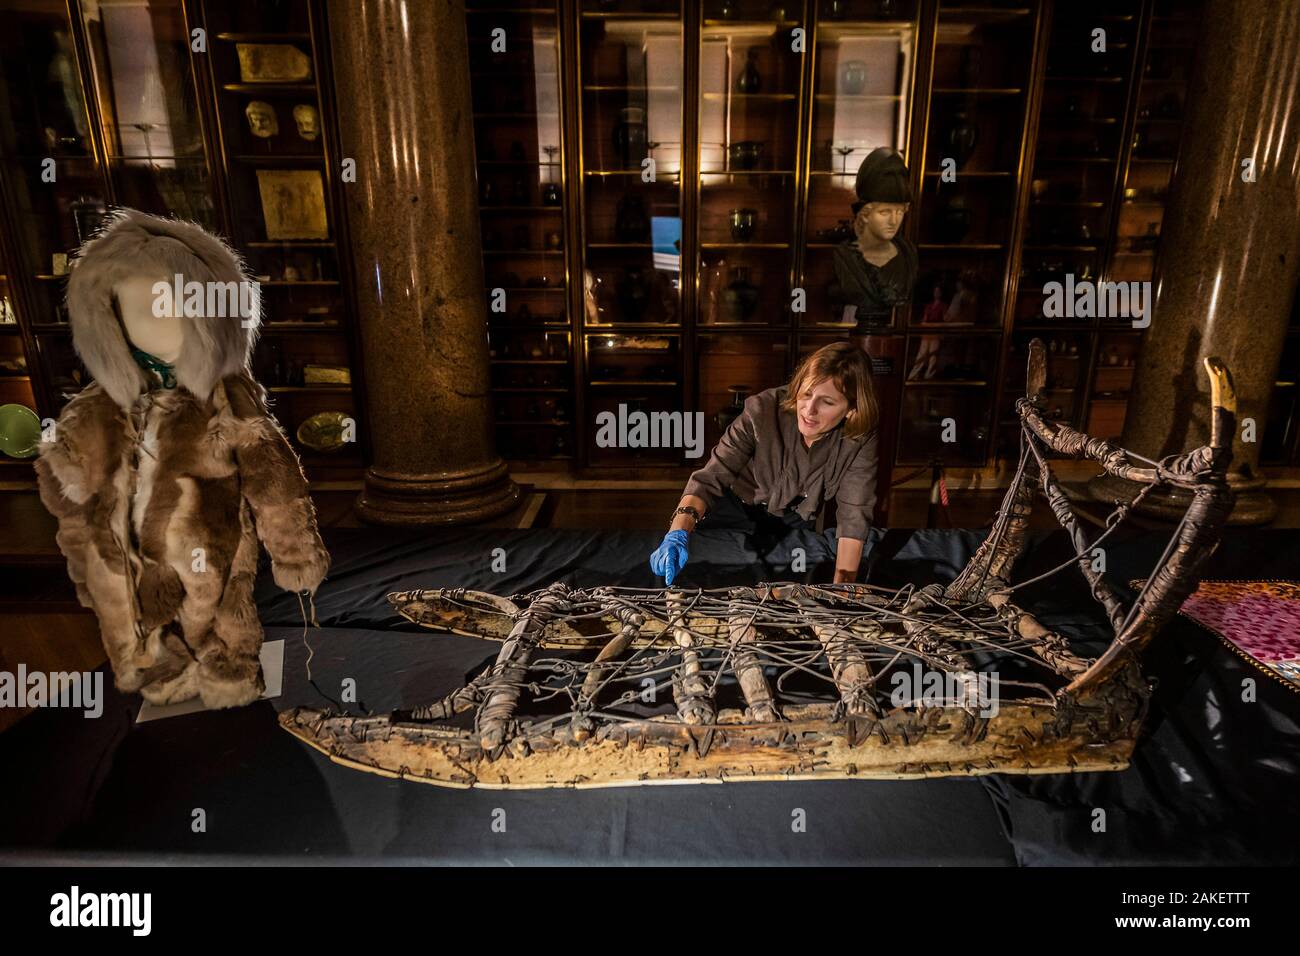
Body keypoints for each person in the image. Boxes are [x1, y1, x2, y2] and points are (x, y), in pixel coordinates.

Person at [649, 341, 879, 585]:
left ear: (852, 409)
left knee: (791, 588)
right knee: (702, 582)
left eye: (827, 402)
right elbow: (712, 476)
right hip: (734, 510)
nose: (809, 410)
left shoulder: (859, 437)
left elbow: (854, 512)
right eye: (807, 393)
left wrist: (843, 585)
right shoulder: (762, 409)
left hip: (794, 519)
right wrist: (678, 532)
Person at [831, 146, 918, 328]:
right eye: (885, 212)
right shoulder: (845, 256)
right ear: (865, 214)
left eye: (900, 212)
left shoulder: (908, 254)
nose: (894, 221)